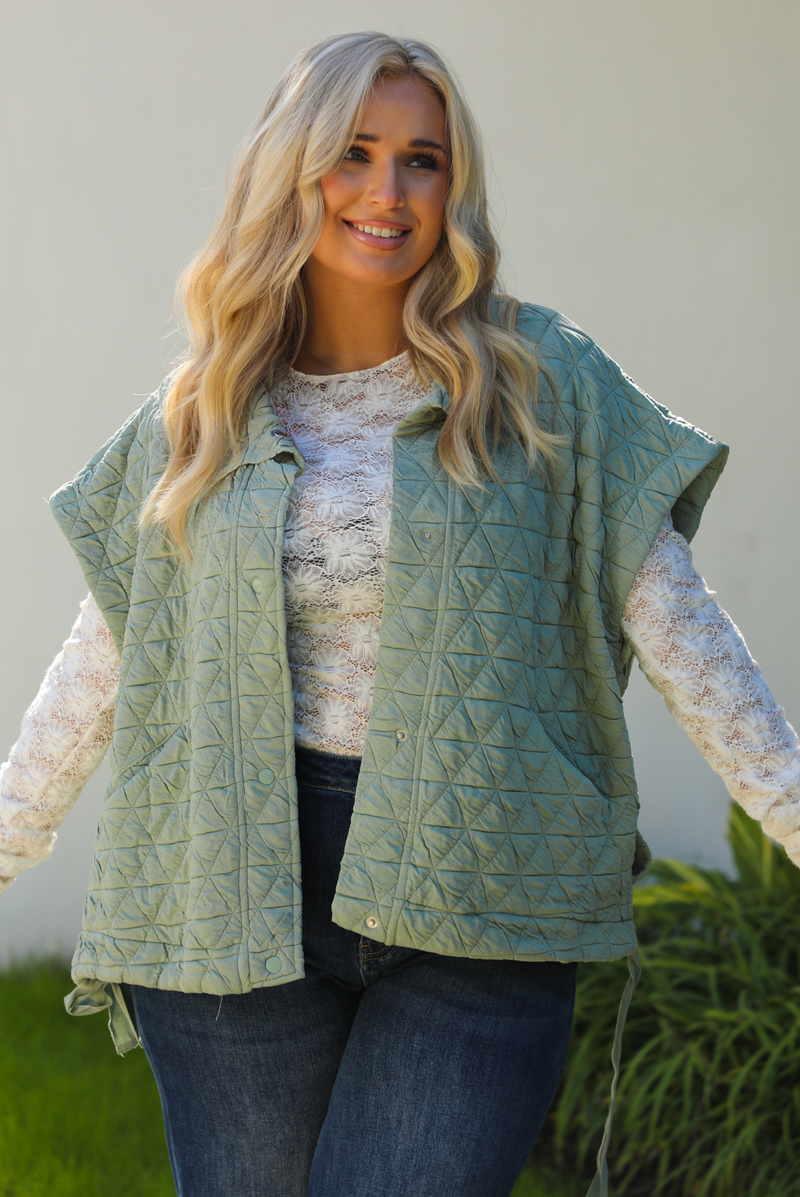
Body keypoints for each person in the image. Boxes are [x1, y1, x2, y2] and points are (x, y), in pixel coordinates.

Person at [1, 30, 798, 1197]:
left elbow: (679, 628)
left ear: (453, 186)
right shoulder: (202, 414)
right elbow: (106, 659)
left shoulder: (538, 383)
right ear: (292, 171)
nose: (387, 192)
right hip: (232, 891)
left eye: (421, 160)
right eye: (353, 154)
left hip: (481, 890)